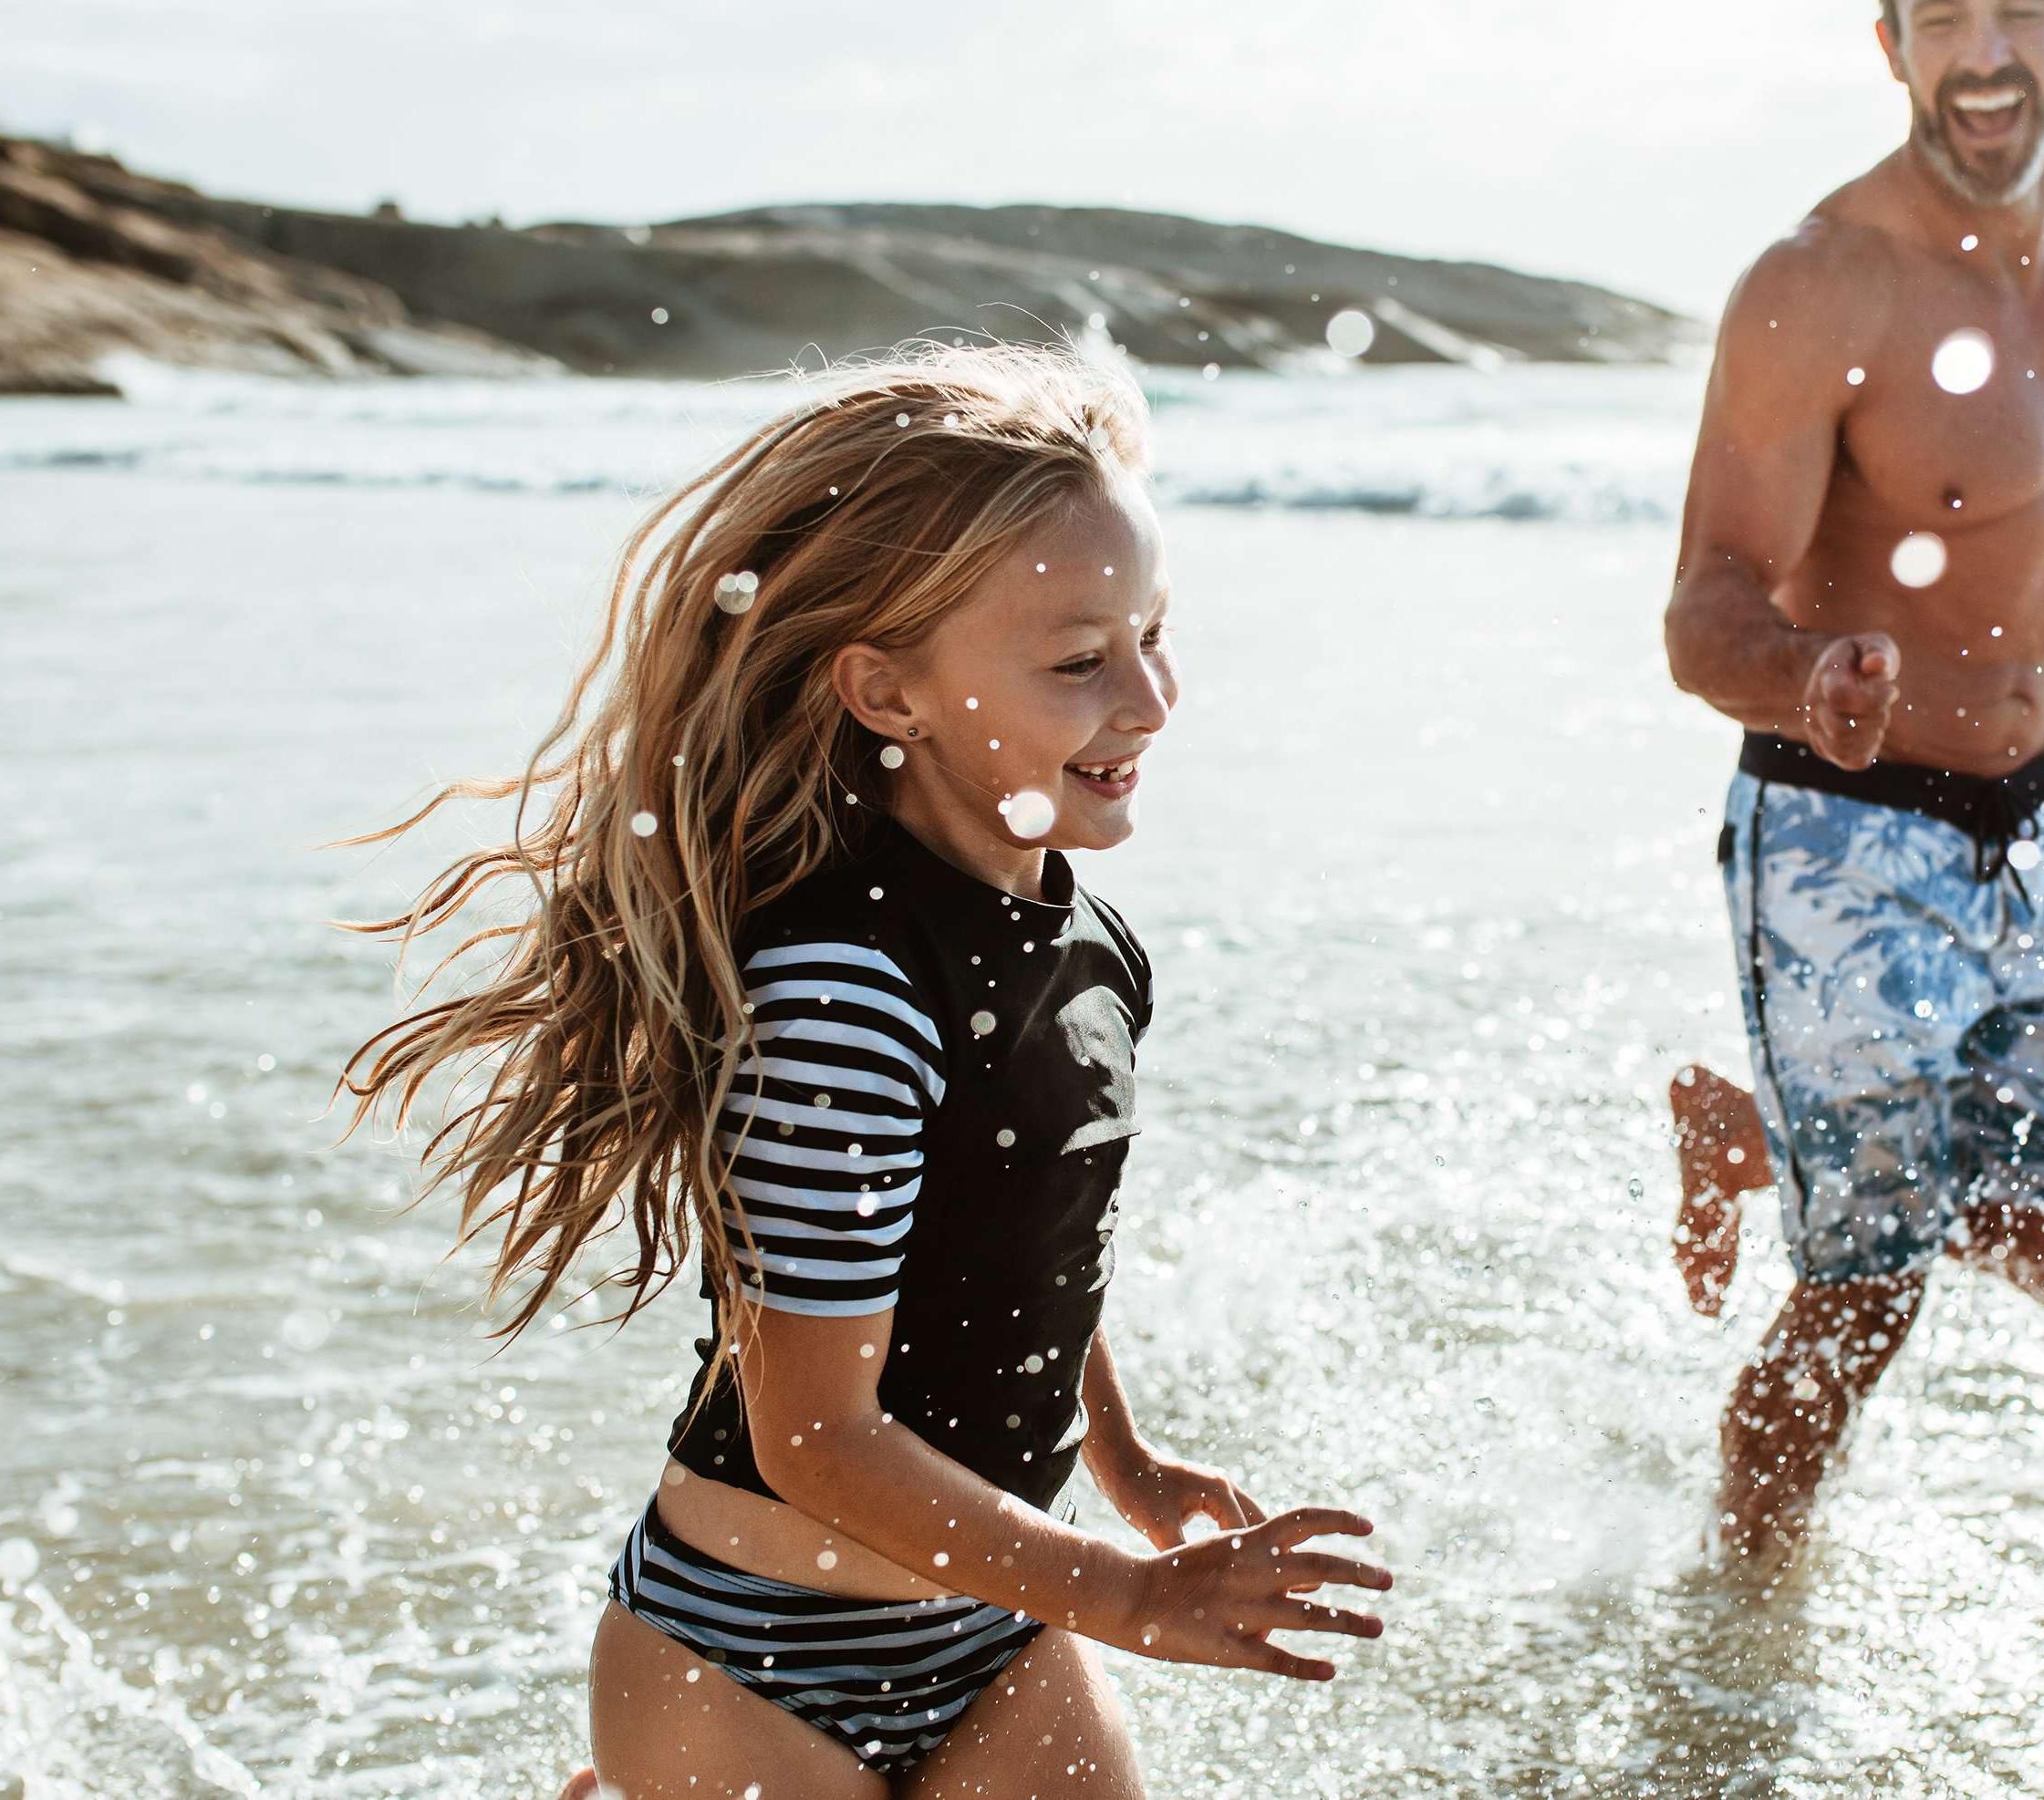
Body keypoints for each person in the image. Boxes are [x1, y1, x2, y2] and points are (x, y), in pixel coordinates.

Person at [341, 347, 1390, 1798]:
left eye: (1154, 632)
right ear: (886, 691)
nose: (1149, 699)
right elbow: (816, 1438)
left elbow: (1014, 1244)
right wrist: (1132, 1600)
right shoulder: (844, 995)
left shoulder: (1094, 948)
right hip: (750, 1654)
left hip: (992, 1619)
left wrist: (1125, 1461)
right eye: (1081, 659)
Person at [1659, 0, 2044, 1564]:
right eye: (1944, 13)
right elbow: (1703, 608)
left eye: (2021, 8)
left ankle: (1771, 1143)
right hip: (1843, 824)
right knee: (1861, 1301)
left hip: (2038, 818)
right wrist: (1807, 675)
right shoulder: (1814, 285)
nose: (1986, 49)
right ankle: (1737, 1625)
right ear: (1889, 42)